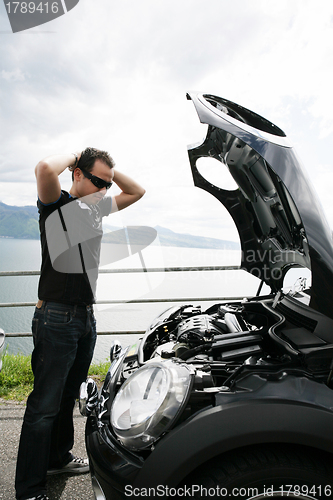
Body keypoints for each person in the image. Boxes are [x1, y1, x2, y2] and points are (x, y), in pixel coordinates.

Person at [15, 147, 145, 500]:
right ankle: (28, 489)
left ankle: (57, 458)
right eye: (97, 181)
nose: (105, 188)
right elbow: (43, 167)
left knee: (69, 396)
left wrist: (107, 177)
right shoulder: (56, 207)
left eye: (107, 183)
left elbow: (137, 192)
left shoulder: (96, 210)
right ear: (76, 175)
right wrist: (74, 156)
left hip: (85, 318)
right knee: (43, 406)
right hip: (56, 318)